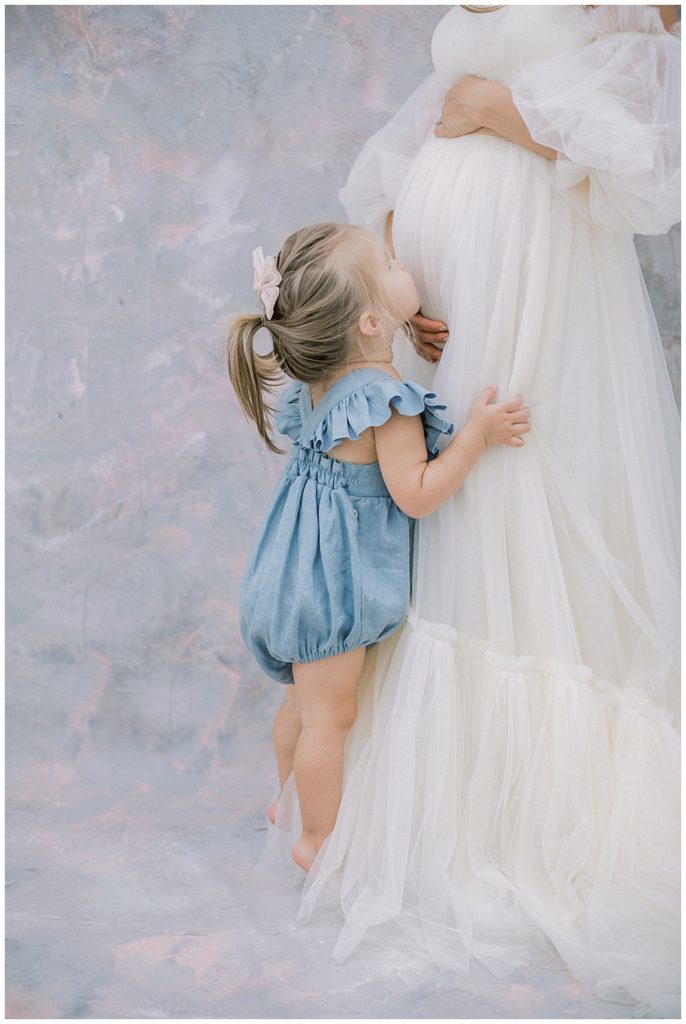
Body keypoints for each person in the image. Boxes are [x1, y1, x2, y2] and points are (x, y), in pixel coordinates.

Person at [263, 5, 679, 1017]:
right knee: (447, 495)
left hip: (539, 275)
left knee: (521, 480)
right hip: (432, 296)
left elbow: (649, 145)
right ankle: (375, 801)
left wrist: (497, 109)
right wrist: (405, 232)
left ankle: (530, 809)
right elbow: (427, 117)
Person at [228, 222, 531, 872]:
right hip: (332, 589)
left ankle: (287, 803)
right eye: (391, 262)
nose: (403, 264)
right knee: (328, 722)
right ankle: (317, 841)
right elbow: (416, 492)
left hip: (288, 573)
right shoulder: (384, 402)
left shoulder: (323, 381)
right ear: (370, 323)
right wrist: (476, 435)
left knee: (301, 705)